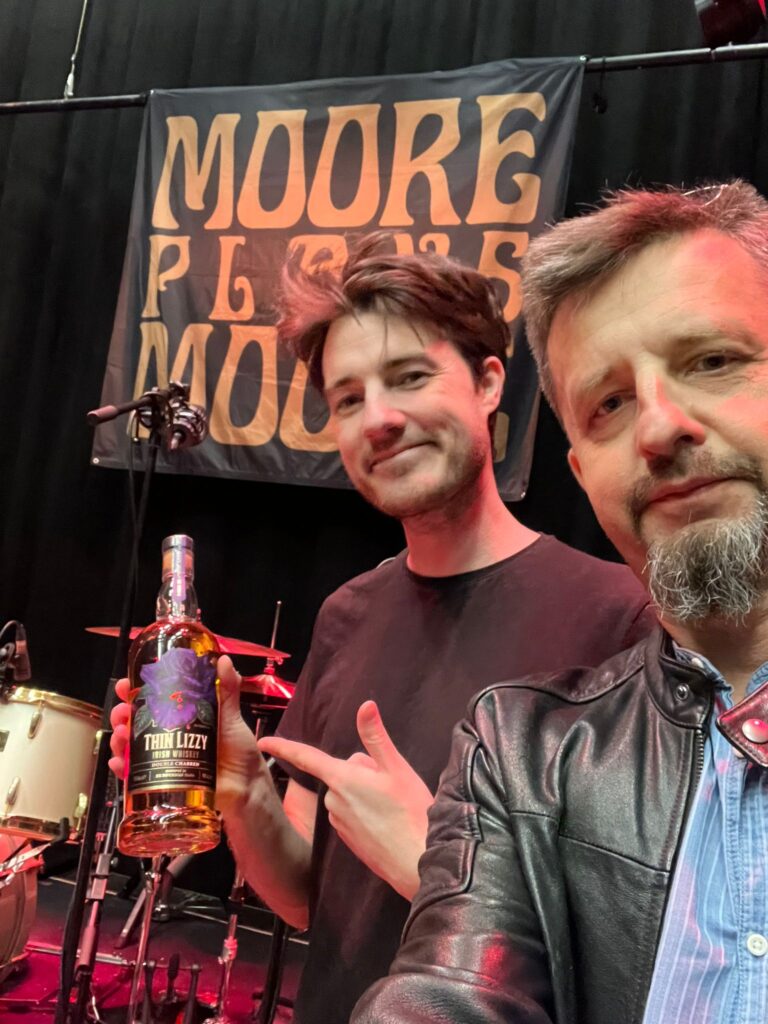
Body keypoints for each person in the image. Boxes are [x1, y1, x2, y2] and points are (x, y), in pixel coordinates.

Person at [109, 234, 654, 1024]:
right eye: (348, 399)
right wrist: (241, 785)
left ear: (488, 381)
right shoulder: (347, 614)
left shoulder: (618, 618)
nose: (381, 419)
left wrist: (437, 866)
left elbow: (635, 960)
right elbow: (303, 898)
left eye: (409, 377)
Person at [351, 181, 768, 1024]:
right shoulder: (520, 750)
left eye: (712, 361)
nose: (659, 428)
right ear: (580, 471)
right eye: (608, 404)